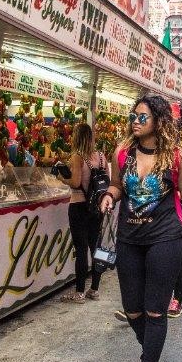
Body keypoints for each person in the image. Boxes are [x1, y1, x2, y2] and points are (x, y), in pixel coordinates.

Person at [99, 95, 182, 362]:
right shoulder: (122, 153)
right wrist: (109, 196)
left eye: (142, 117)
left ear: (158, 121)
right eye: (133, 117)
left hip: (165, 237)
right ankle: (150, 347)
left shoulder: (178, 157)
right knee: (133, 309)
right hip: (129, 238)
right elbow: (116, 185)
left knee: (155, 310)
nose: (135, 122)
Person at [56, 123, 107, 303]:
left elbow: (76, 182)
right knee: (96, 248)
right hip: (97, 208)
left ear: (77, 137)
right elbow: (105, 182)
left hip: (79, 207)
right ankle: (94, 289)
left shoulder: (78, 157)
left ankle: (79, 292)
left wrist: (62, 177)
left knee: (81, 249)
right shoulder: (101, 156)